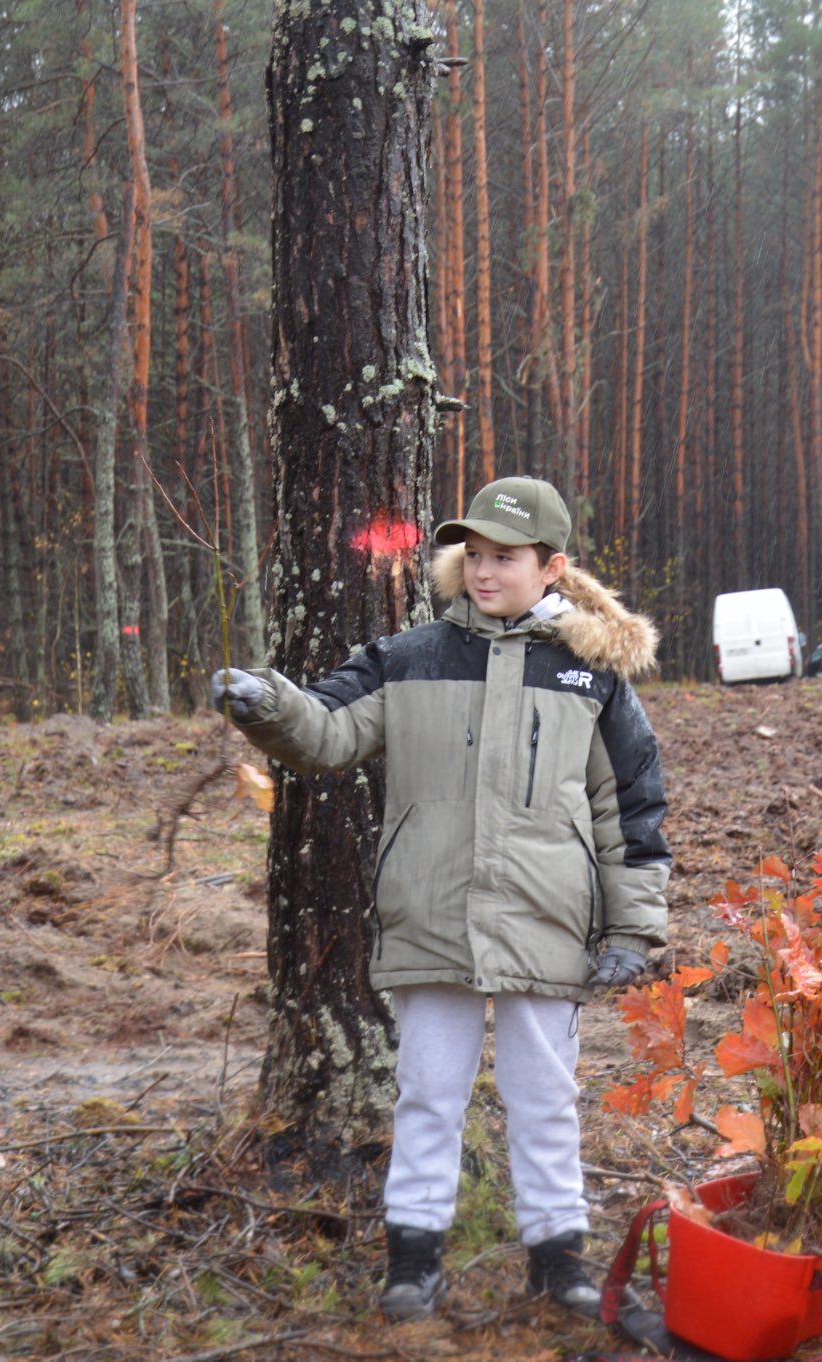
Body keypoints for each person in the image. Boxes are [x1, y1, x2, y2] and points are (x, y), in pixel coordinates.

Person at [210, 475, 670, 1321]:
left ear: (552, 566)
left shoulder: (591, 677)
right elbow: (326, 732)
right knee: (427, 1090)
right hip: (433, 913)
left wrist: (633, 929)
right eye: (475, 556)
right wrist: (267, 705)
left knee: (545, 1096)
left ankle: (559, 1256)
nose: (485, 572)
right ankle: (412, 1261)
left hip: (550, 921)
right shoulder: (407, 657)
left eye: (506, 558)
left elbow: (630, 808)